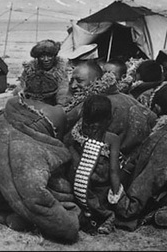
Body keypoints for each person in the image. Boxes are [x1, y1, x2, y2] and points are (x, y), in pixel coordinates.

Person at [0, 69, 80, 243]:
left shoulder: (12, 103)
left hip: (1, 161)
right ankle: (21, 216)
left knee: (8, 181)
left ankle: (3, 208)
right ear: (53, 93)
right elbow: (53, 145)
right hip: (26, 159)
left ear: (26, 91)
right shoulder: (57, 113)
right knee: (55, 188)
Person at [114, 83, 167, 231]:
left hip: (164, 197)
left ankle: (163, 211)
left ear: (157, 109)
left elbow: (150, 178)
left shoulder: (163, 138)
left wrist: (126, 206)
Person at [66, 60, 157, 164]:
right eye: (71, 80)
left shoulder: (93, 104)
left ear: (96, 80)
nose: (73, 86)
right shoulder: (125, 98)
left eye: (79, 80)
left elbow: (70, 140)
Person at [66, 94, 122, 235]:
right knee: (102, 205)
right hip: (98, 187)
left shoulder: (76, 134)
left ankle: (90, 217)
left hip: (78, 186)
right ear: (109, 119)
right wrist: (116, 192)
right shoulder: (111, 139)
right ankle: (108, 216)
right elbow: (114, 170)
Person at [18, 39, 71, 106]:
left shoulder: (60, 69)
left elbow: (63, 89)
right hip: (31, 101)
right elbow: (21, 84)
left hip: (52, 104)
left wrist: (60, 105)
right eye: (42, 56)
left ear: (54, 56)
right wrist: (20, 94)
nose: (46, 59)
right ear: (37, 57)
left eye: (49, 56)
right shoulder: (30, 68)